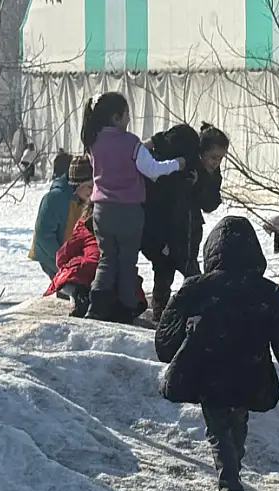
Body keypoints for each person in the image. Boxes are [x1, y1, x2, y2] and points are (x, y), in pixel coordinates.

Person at [155, 216, 279, 491]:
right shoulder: (267, 292)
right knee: (237, 424)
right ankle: (233, 477)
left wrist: (177, 345)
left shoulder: (197, 288)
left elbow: (165, 339)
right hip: (251, 373)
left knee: (218, 432)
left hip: (208, 373)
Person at [80, 92, 185, 322]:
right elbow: (153, 170)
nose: (129, 118)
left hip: (100, 210)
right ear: (117, 118)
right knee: (127, 260)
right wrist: (178, 164)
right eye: (127, 114)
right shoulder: (130, 142)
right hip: (128, 210)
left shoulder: (93, 141)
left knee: (107, 258)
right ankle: (126, 307)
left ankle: (96, 304)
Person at [141, 124, 208, 320]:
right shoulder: (183, 165)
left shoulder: (158, 163)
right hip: (182, 231)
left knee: (165, 272)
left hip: (173, 231)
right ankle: (198, 309)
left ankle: (161, 311)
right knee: (186, 272)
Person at [45, 201, 148, 319]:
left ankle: (79, 294)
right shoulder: (123, 227)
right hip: (123, 279)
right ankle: (121, 305)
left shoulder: (84, 227)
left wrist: (74, 259)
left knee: (66, 278)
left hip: (88, 270)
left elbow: (61, 257)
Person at [30, 153, 87, 279]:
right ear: (78, 185)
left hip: (74, 259)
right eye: (89, 186)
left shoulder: (85, 200)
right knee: (71, 287)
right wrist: (64, 263)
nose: (92, 191)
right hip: (52, 258)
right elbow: (44, 237)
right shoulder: (55, 199)